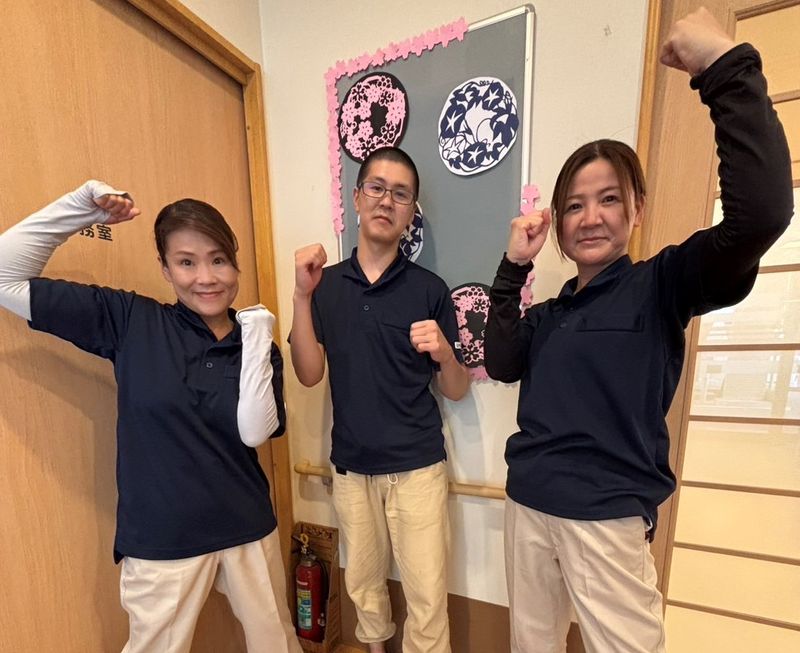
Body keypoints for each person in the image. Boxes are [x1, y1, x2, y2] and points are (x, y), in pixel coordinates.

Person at [484, 8, 793, 653]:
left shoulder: (661, 284)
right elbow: (503, 361)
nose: (590, 217)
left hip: (608, 519)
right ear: (558, 224)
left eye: (608, 199)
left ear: (637, 209)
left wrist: (723, 67)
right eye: (574, 205)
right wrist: (512, 268)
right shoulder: (550, 314)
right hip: (530, 503)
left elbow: (762, 213)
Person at [0, 181, 302, 653]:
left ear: (235, 264)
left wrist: (259, 338)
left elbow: (256, 433)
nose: (207, 277)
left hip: (247, 526)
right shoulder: (132, 321)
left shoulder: (257, 340)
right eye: (186, 262)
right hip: (162, 537)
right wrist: (80, 208)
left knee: (277, 643)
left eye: (219, 260)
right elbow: (5, 278)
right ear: (164, 268)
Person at [290, 146, 470, 653]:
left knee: (427, 598)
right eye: (376, 188)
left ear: (411, 212)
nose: (386, 201)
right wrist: (300, 295)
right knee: (364, 591)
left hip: (418, 469)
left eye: (401, 194)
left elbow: (456, 389)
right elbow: (308, 375)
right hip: (351, 469)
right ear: (356, 197)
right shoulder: (325, 287)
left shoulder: (430, 290)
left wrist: (445, 353)